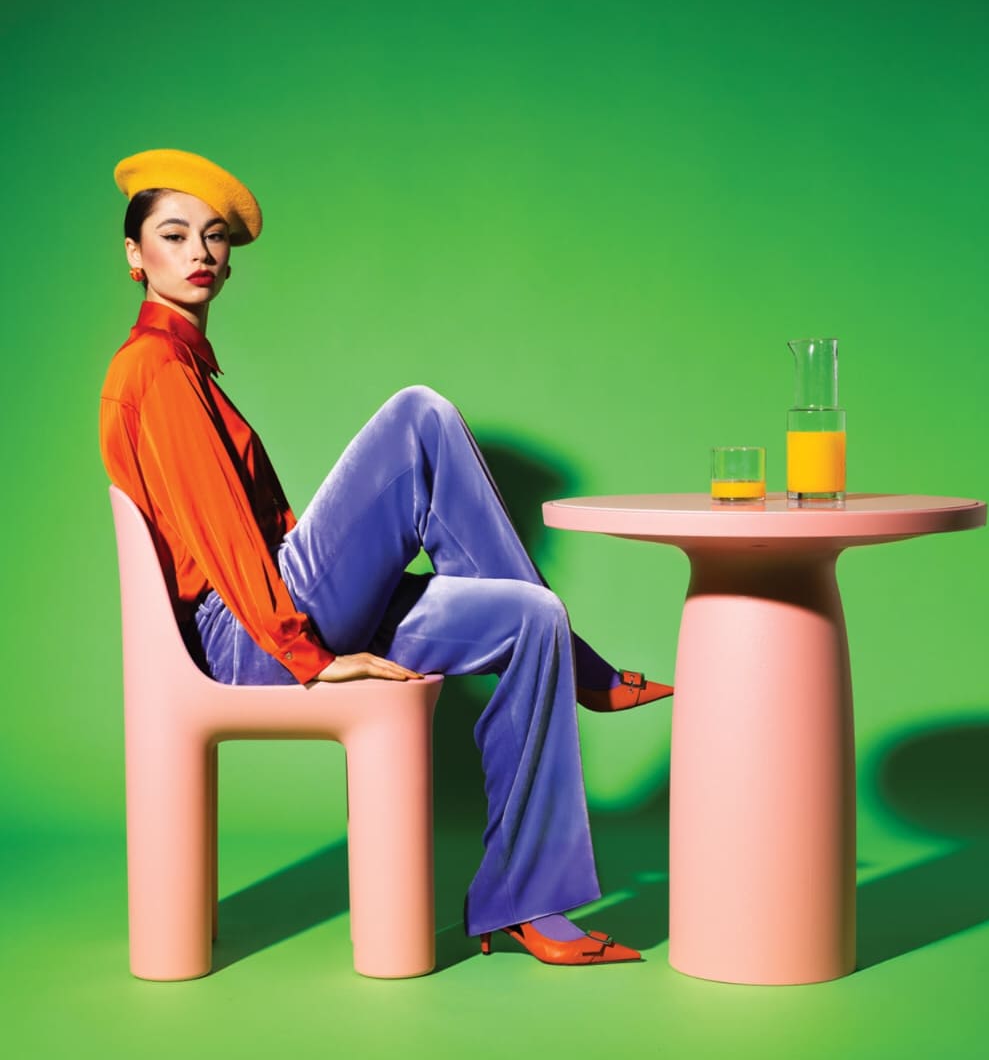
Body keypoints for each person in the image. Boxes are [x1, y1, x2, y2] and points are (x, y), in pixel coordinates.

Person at [100, 149, 673, 967]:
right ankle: (589, 671)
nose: (200, 252)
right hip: (248, 639)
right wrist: (306, 653)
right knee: (419, 415)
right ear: (135, 254)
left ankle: (527, 905)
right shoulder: (156, 371)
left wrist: (337, 592)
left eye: (214, 236)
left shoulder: (190, 368)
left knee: (534, 617)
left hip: (274, 611)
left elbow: (261, 529)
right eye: (174, 234)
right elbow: (226, 540)